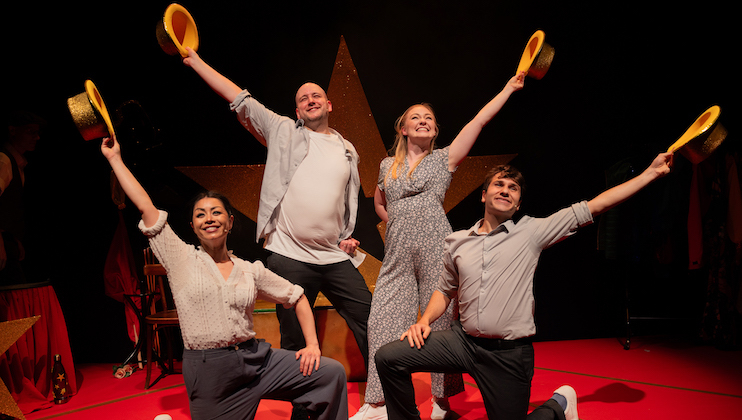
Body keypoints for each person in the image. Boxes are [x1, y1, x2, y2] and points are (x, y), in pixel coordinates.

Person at [374, 152, 674, 420]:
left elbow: (595, 206)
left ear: (517, 203)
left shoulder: (531, 232)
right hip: (462, 343)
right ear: (483, 195)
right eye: (499, 185)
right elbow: (444, 289)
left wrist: (650, 173)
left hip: (507, 354)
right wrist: (424, 321)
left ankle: (558, 404)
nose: (505, 190)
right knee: (388, 357)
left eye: (512, 188)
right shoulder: (457, 241)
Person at [100, 134, 348, 420]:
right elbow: (146, 207)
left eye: (216, 212)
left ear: (230, 221)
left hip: (257, 361)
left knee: (329, 373)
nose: (209, 218)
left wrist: (312, 346)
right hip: (210, 372)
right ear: (192, 225)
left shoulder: (250, 269)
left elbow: (298, 296)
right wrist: (115, 159)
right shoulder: (180, 258)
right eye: (200, 214)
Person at [181, 48, 372, 363]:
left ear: (329, 104)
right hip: (290, 256)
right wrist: (197, 62)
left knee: (371, 321)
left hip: (334, 258)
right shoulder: (282, 131)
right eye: (303, 98)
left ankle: (382, 402)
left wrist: (346, 234)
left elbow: (346, 200)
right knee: (296, 341)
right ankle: (303, 410)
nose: (310, 100)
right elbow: (240, 99)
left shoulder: (347, 149)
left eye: (316, 95)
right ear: (297, 111)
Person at [353, 72, 525, 420]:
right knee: (381, 320)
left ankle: (440, 402)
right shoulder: (388, 165)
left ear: (435, 130)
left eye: (429, 118)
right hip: (398, 251)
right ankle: (377, 402)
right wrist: (399, 219)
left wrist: (509, 87)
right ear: (402, 127)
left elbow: (478, 121)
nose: (423, 121)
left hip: (435, 244)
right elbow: (380, 204)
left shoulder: (443, 159)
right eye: (416, 117)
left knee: (441, 323)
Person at [1, 111, 45, 286]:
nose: (37, 137)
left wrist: (14, 239)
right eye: (30, 131)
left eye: (37, 132)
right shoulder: (4, 161)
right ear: (13, 131)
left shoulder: (17, 163)